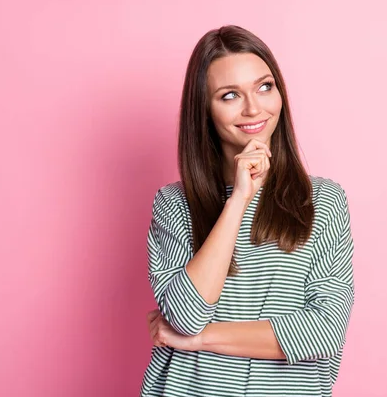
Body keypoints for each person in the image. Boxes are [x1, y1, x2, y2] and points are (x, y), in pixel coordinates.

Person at [140, 24, 355, 397]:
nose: (254, 108)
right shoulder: (174, 205)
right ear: (204, 109)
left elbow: (325, 332)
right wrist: (238, 200)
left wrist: (199, 339)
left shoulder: (322, 201)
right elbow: (186, 316)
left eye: (264, 86)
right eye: (229, 95)